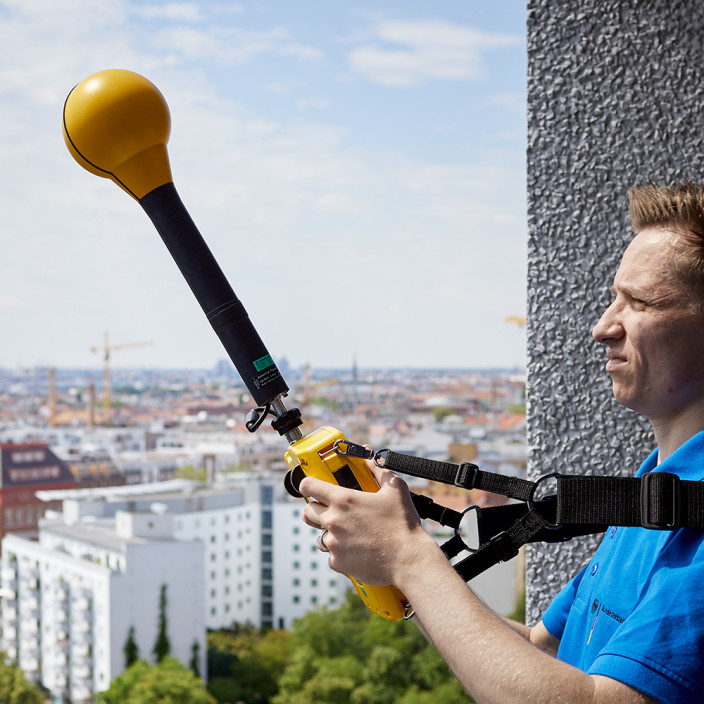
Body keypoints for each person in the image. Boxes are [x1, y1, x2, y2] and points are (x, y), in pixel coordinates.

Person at [299, 180, 704, 704]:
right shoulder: (657, 494)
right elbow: (543, 653)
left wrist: (409, 558)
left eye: (640, 302)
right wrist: (393, 566)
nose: (602, 327)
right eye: (613, 299)